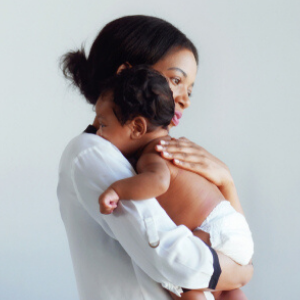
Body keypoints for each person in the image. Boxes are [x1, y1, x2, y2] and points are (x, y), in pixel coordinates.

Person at [58, 15, 253, 300]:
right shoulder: (91, 153)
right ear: (127, 75)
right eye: (176, 80)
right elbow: (178, 262)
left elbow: (231, 241)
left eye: (189, 89)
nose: (184, 99)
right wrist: (243, 270)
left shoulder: (150, 154)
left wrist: (226, 183)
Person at [95, 65, 253, 300]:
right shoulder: (173, 145)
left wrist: (118, 189)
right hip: (234, 231)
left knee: (180, 281)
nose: (97, 133)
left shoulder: (154, 155)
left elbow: (157, 183)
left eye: (103, 125)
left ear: (137, 127)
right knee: (229, 291)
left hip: (212, 230)